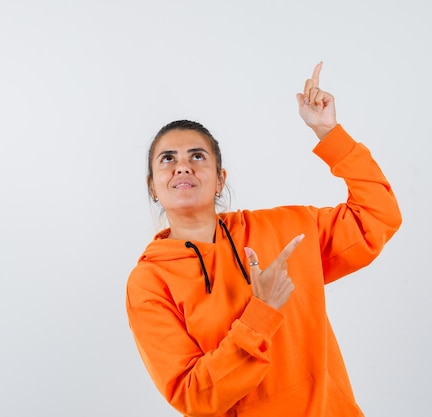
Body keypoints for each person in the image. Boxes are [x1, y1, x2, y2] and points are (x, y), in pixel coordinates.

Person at [125, 62, 402, 417]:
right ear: (153, 185)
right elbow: (195, 397)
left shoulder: (285, 228)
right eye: (167, 159)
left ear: (220, 179)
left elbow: (377, 216)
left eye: (197, 156)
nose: (183, 167)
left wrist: (328, 132)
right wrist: (262, 311)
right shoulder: (149, 283)